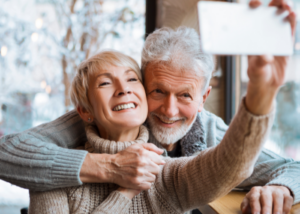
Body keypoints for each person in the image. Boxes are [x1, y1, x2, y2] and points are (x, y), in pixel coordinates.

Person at [0, 0, 298, 213]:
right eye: (158, 90)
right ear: (142, 85)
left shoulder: (202, 139)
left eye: (184, 96)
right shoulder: (95, 119)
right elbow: (6, 151)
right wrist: (112, 169)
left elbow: (236, 163)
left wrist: (281, 186)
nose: (169, 110)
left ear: (203, 97)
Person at [29, 50, 274, 213]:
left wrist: (260, 95)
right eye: (105, 83)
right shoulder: (52, 177)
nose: (123, 89)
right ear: (84, 111)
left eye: (132, 80)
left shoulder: (164, 170)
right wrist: (124, 194)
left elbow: (227, 165)